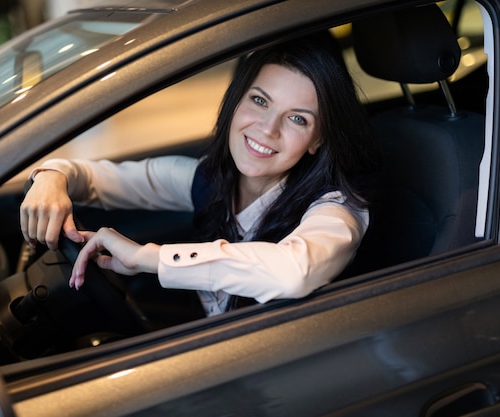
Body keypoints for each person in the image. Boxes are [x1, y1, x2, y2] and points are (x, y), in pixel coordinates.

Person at [20, 35, 380, 316]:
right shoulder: (208, 179)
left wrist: (149, 257)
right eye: (259, 100)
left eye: (298, 118)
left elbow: (292, 272)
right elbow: (98, 180)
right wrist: (54, 175)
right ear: (236, 100)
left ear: (318, 140)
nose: (268, 129)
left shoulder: (338, 213)